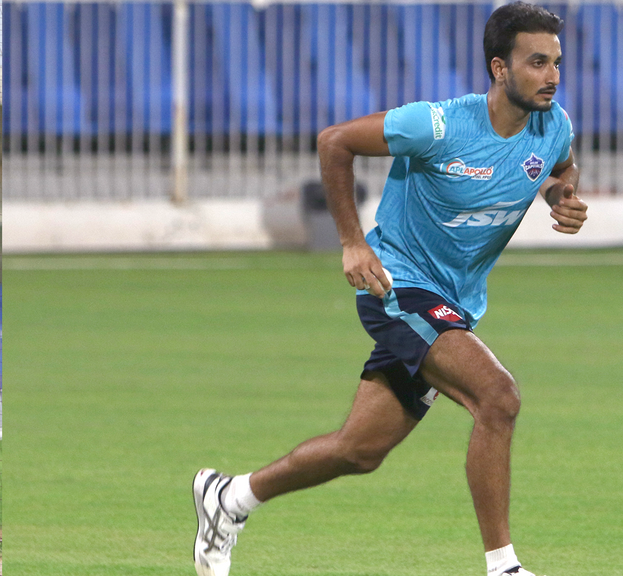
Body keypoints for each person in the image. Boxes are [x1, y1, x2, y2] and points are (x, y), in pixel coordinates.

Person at [192, 3, 586, 575]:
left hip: (453, 306)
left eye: (556, 62)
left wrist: (560, 197)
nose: (552, 75)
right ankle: (503, 567)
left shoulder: (555, 126)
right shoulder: (439, 125)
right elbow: (334, 142)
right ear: (499, 68)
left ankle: (228, 498)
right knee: (497, 398)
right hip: (398, 286)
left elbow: (561, 165)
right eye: (536, 62)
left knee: (360, 449)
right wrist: (352, 242)